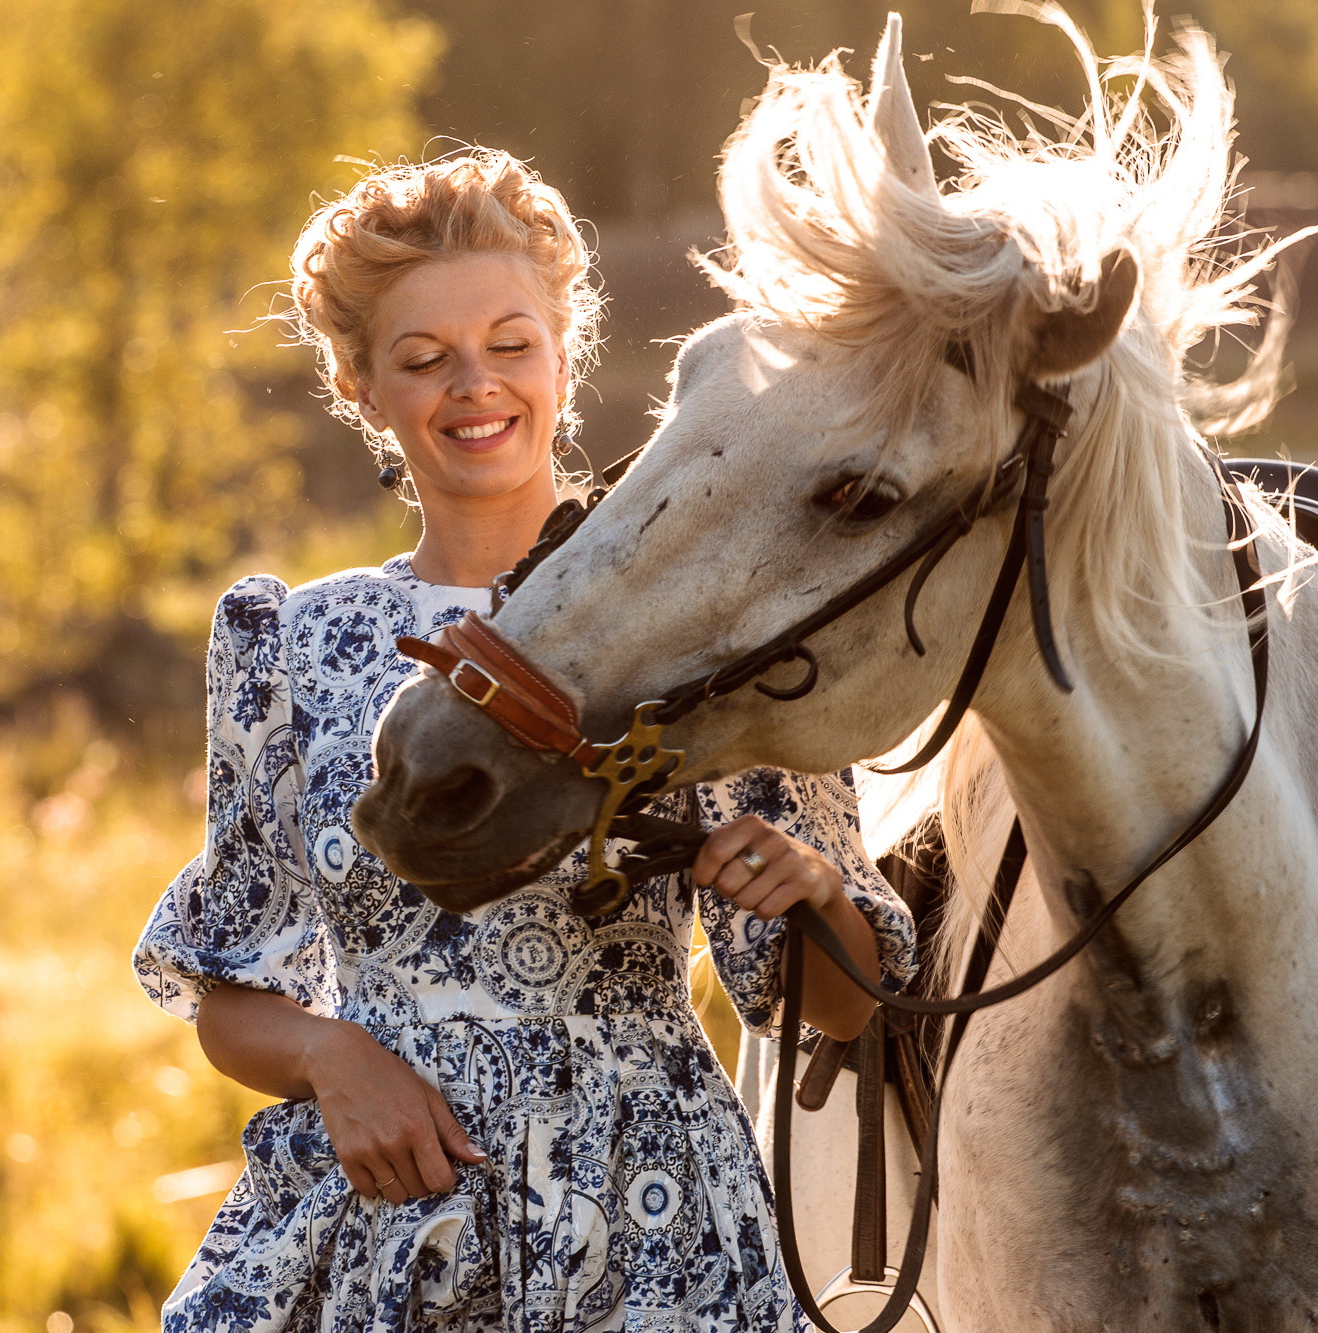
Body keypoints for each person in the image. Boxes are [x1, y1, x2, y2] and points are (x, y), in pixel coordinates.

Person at [132, 149, 917, 1333]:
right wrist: (331, 1057)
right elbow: (229, 990)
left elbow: (834, 1008)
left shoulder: (703, 625)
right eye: (422, 358)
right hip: (376, 1223)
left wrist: (805, 888)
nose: (474, 387)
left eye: (509, 343)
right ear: (357, 381)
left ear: (562, 354)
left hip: (643, 1229)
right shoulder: (291, 644)